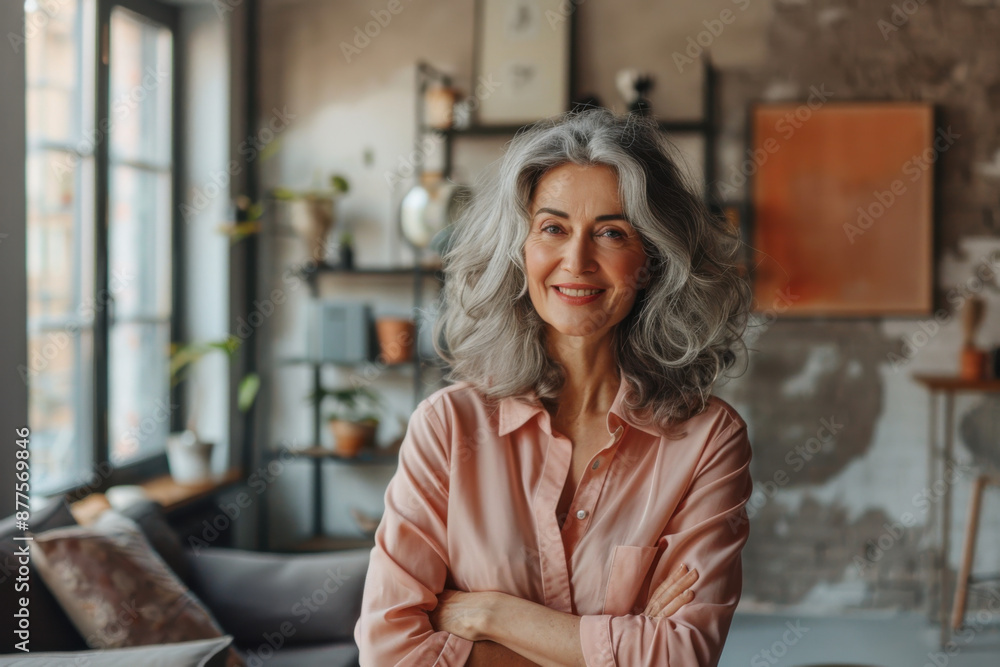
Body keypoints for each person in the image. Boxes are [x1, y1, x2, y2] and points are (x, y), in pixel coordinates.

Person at [354, 107, 754, 666]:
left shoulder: (708, 440)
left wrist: (493, 616)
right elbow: (390, 652)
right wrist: (620, 644)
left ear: (655, 261)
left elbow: (682, 656)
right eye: (553, 228)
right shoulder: (447, 426)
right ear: (519, 251)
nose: (577, 260)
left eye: (612, 232)